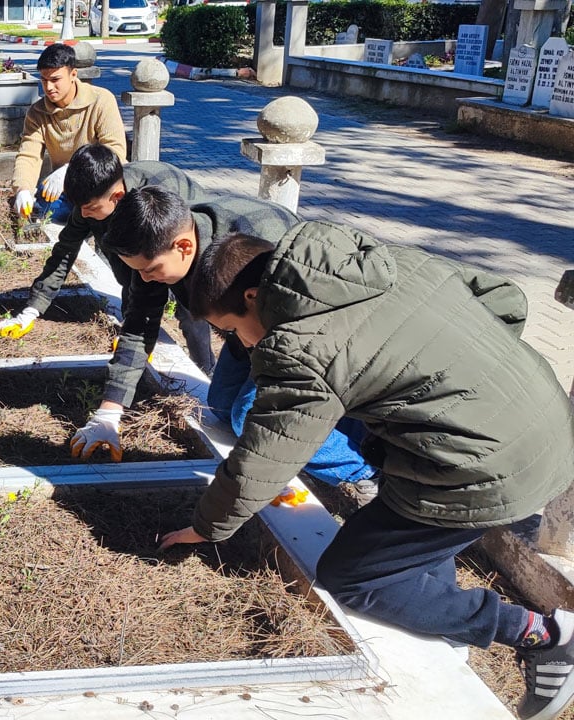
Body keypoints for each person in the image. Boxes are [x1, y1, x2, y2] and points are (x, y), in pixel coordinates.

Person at [160, 221, 574, 720]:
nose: (242, 345)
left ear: (253, 296)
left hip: (488, 470)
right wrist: (471, 383)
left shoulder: (297, 346)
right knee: (400, 528)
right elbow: (504, 297)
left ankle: (541, 635)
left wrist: (203, 528)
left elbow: (262, 460)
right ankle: (439, 618)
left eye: (232, 331)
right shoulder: (384, 262)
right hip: (547, 420)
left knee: (353, 576)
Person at [53, 183, 376, 501]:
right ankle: (344, 434)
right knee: (221, 405)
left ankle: (364, 473)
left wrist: (262, 470)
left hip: (306, 329)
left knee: (248, 413)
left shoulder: (259, 242)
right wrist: (109, 412)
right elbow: (138, 327)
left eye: (151, 270)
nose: (146, 278)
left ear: (183, 247)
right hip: (247, 334)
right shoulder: (156, 248)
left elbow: (303, 326)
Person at [0, 143, 215, 375]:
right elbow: (64, 251)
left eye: (89, 208)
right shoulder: (92, 204)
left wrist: (139, 337)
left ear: (116, 197)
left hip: (185, 242)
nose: (84, 214)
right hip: (141, 238)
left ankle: (206, 371)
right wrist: (33, 308)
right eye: (81, 208)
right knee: (128, 274)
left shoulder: (154, 197)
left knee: (191, 307)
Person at [11, 44, 125, 225]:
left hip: (104, 186)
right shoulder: (37, 112)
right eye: (44, 80)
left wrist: (71, 170)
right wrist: (22, 189)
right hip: (66, 190)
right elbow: (29, 155)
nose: (49, 87)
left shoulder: (101, 100)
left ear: (73, 75)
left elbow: (115, 151)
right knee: (43, 210)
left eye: (55, 79)